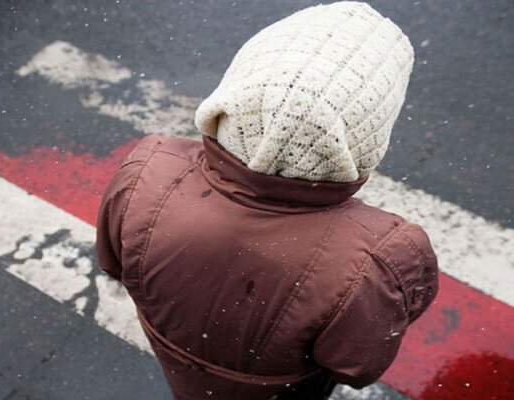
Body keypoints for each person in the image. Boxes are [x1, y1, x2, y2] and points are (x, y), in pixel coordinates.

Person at [95, 2, 439, 399]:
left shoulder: (147, 170)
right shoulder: (383, 257)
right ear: (367, 136)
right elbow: (356, 365)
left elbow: (114, 263)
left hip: (177, 364)